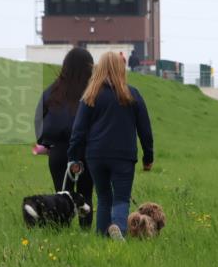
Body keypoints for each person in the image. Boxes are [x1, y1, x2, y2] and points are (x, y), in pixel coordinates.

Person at [68, 52, 154, 240]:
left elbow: (78, 130)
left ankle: (102, 237)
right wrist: (148, 158)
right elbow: (145, 130)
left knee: (104, 197)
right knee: (121, 198)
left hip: (96, 156)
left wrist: (73, 157)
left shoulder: (90, 95)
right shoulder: (132, 94)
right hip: (123, 156)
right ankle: (119, 228)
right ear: (122, 69)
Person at [34, 47, 95, 229]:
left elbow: (39, 120)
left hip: (59, 151)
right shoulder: (94, 93)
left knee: (62, 195)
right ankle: (85, 232)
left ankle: (62, 232)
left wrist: (44, 143)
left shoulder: (51, 92)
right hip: (86, 151)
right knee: (86, 194)